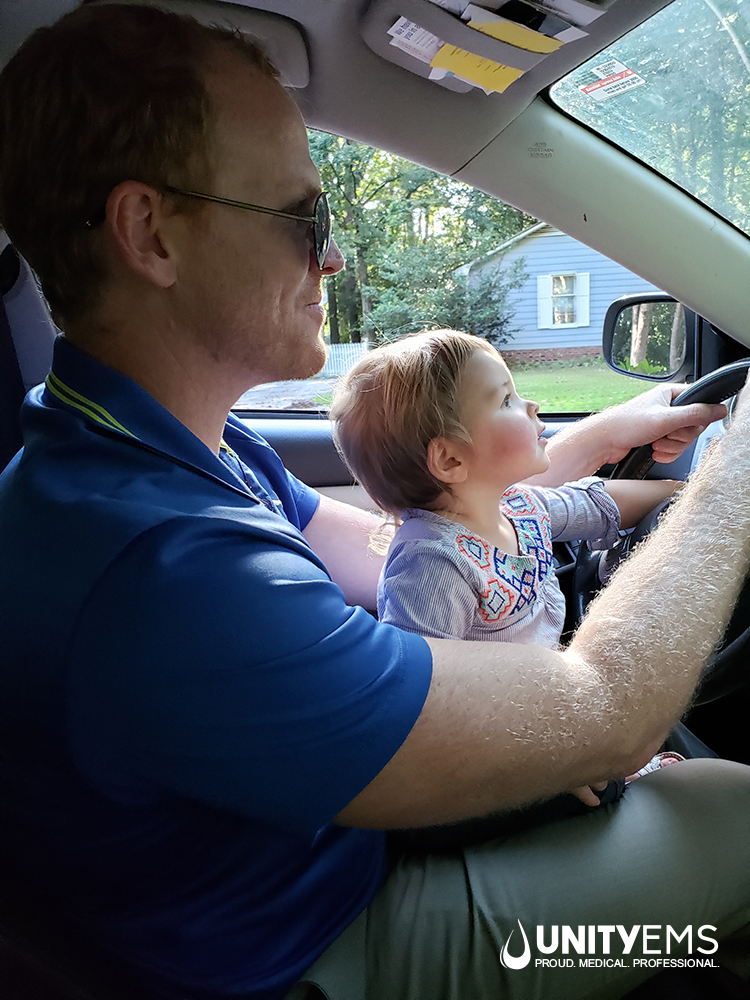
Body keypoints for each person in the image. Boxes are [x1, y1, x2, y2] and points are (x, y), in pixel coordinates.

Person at [0, 6, 748, 1000]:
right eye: (303, 218)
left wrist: (584, 445)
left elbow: (415, 537)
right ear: (150, 232)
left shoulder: (155, 449)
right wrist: (733, 485)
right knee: (734, 816)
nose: (333, 259)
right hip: (322, 953)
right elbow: (611, 714)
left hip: (325, 857)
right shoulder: (160, 569)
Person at [331, 328, 684, 836]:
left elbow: (600, 503)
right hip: (488, 749)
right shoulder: (431, 563)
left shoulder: (518, 507)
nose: (531, 404)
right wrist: (542, 762)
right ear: (451, 459)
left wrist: (688, 493)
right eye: (507, 400)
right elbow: (427, 709)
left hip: (537, 705)